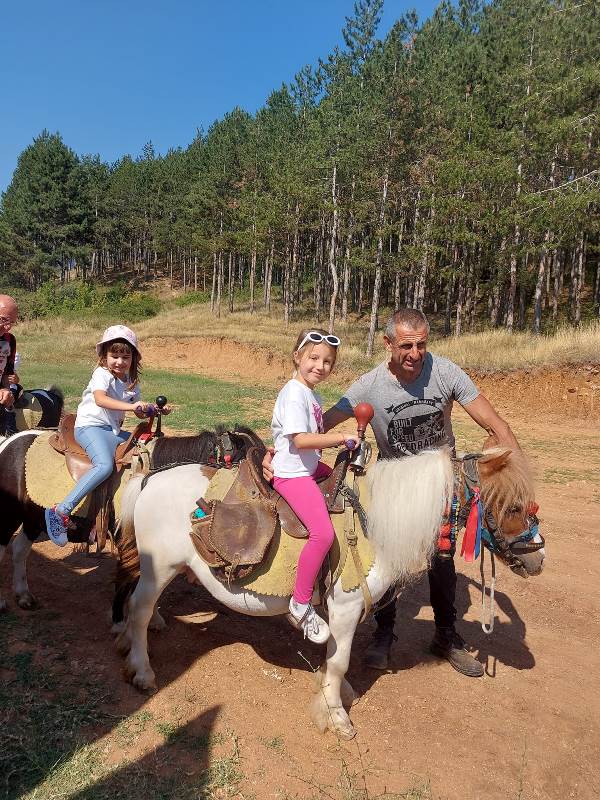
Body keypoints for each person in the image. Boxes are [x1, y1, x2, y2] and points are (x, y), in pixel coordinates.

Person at [264, 308, 521, 676]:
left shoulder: (445, 372)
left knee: (441, 559)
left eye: (421, 345)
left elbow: (496, 424)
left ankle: (446, 636)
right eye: (406, 346)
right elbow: (314, 426)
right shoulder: (369, 385)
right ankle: (384, 634)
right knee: (385, 556)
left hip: (438, 484)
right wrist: (274, 452)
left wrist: (517, 477)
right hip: (394, 487)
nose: (415, 354)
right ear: (388, 344)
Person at [44, 324, 170, 547]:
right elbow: (101, 399)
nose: (120, 362)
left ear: (133, 359)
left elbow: (136, 410)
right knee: (104, 466)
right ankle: (61, 510)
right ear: (104, 356)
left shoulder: (131, 382)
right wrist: (132, 407)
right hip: (90, 427)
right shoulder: (101, 374)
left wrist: (151, 409)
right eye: (115, 356)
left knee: (147, 448)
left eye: (125, 357)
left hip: (113, 431)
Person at [271, 329, 360, 644]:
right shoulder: (295, 393)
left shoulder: (312, 395)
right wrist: (341, 438)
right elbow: (301, 440)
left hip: (306, 467)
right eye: (314, 358)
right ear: (297, 356)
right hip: (292, 474)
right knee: (323, 533)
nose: (320, 366)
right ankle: (300, 603)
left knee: (346, 487)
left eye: (327, 361)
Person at [0, 294, 20, 437]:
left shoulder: (10, 340)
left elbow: (8, 371)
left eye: (12, 322)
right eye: (3, 320)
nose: (7, 327)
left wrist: (6, 388)